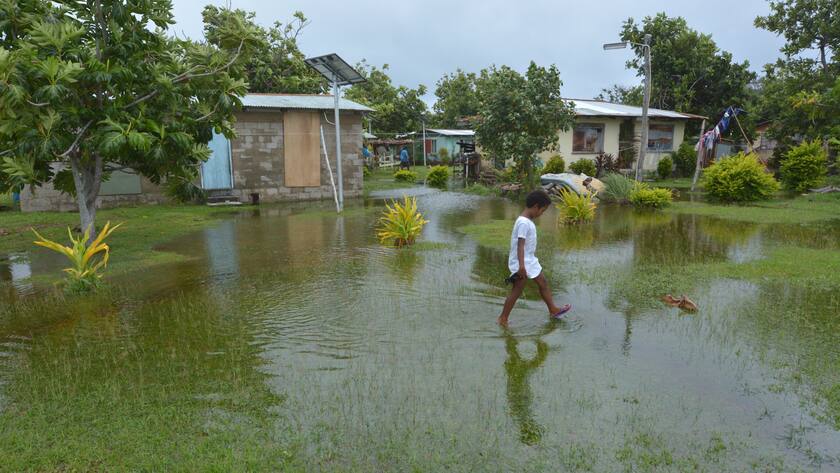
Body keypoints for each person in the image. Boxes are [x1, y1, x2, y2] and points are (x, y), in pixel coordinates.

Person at [497, 190, 571, 326]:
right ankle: (503, 318)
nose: (541, 214)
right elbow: (520, 244)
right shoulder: (524, 223)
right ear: (536, 206)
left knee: (543, 282)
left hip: (529, 260)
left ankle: (553, 310)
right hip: (522, 262)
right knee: (517, 290)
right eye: (542, 211)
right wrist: (521, 267)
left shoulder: (527, 221)